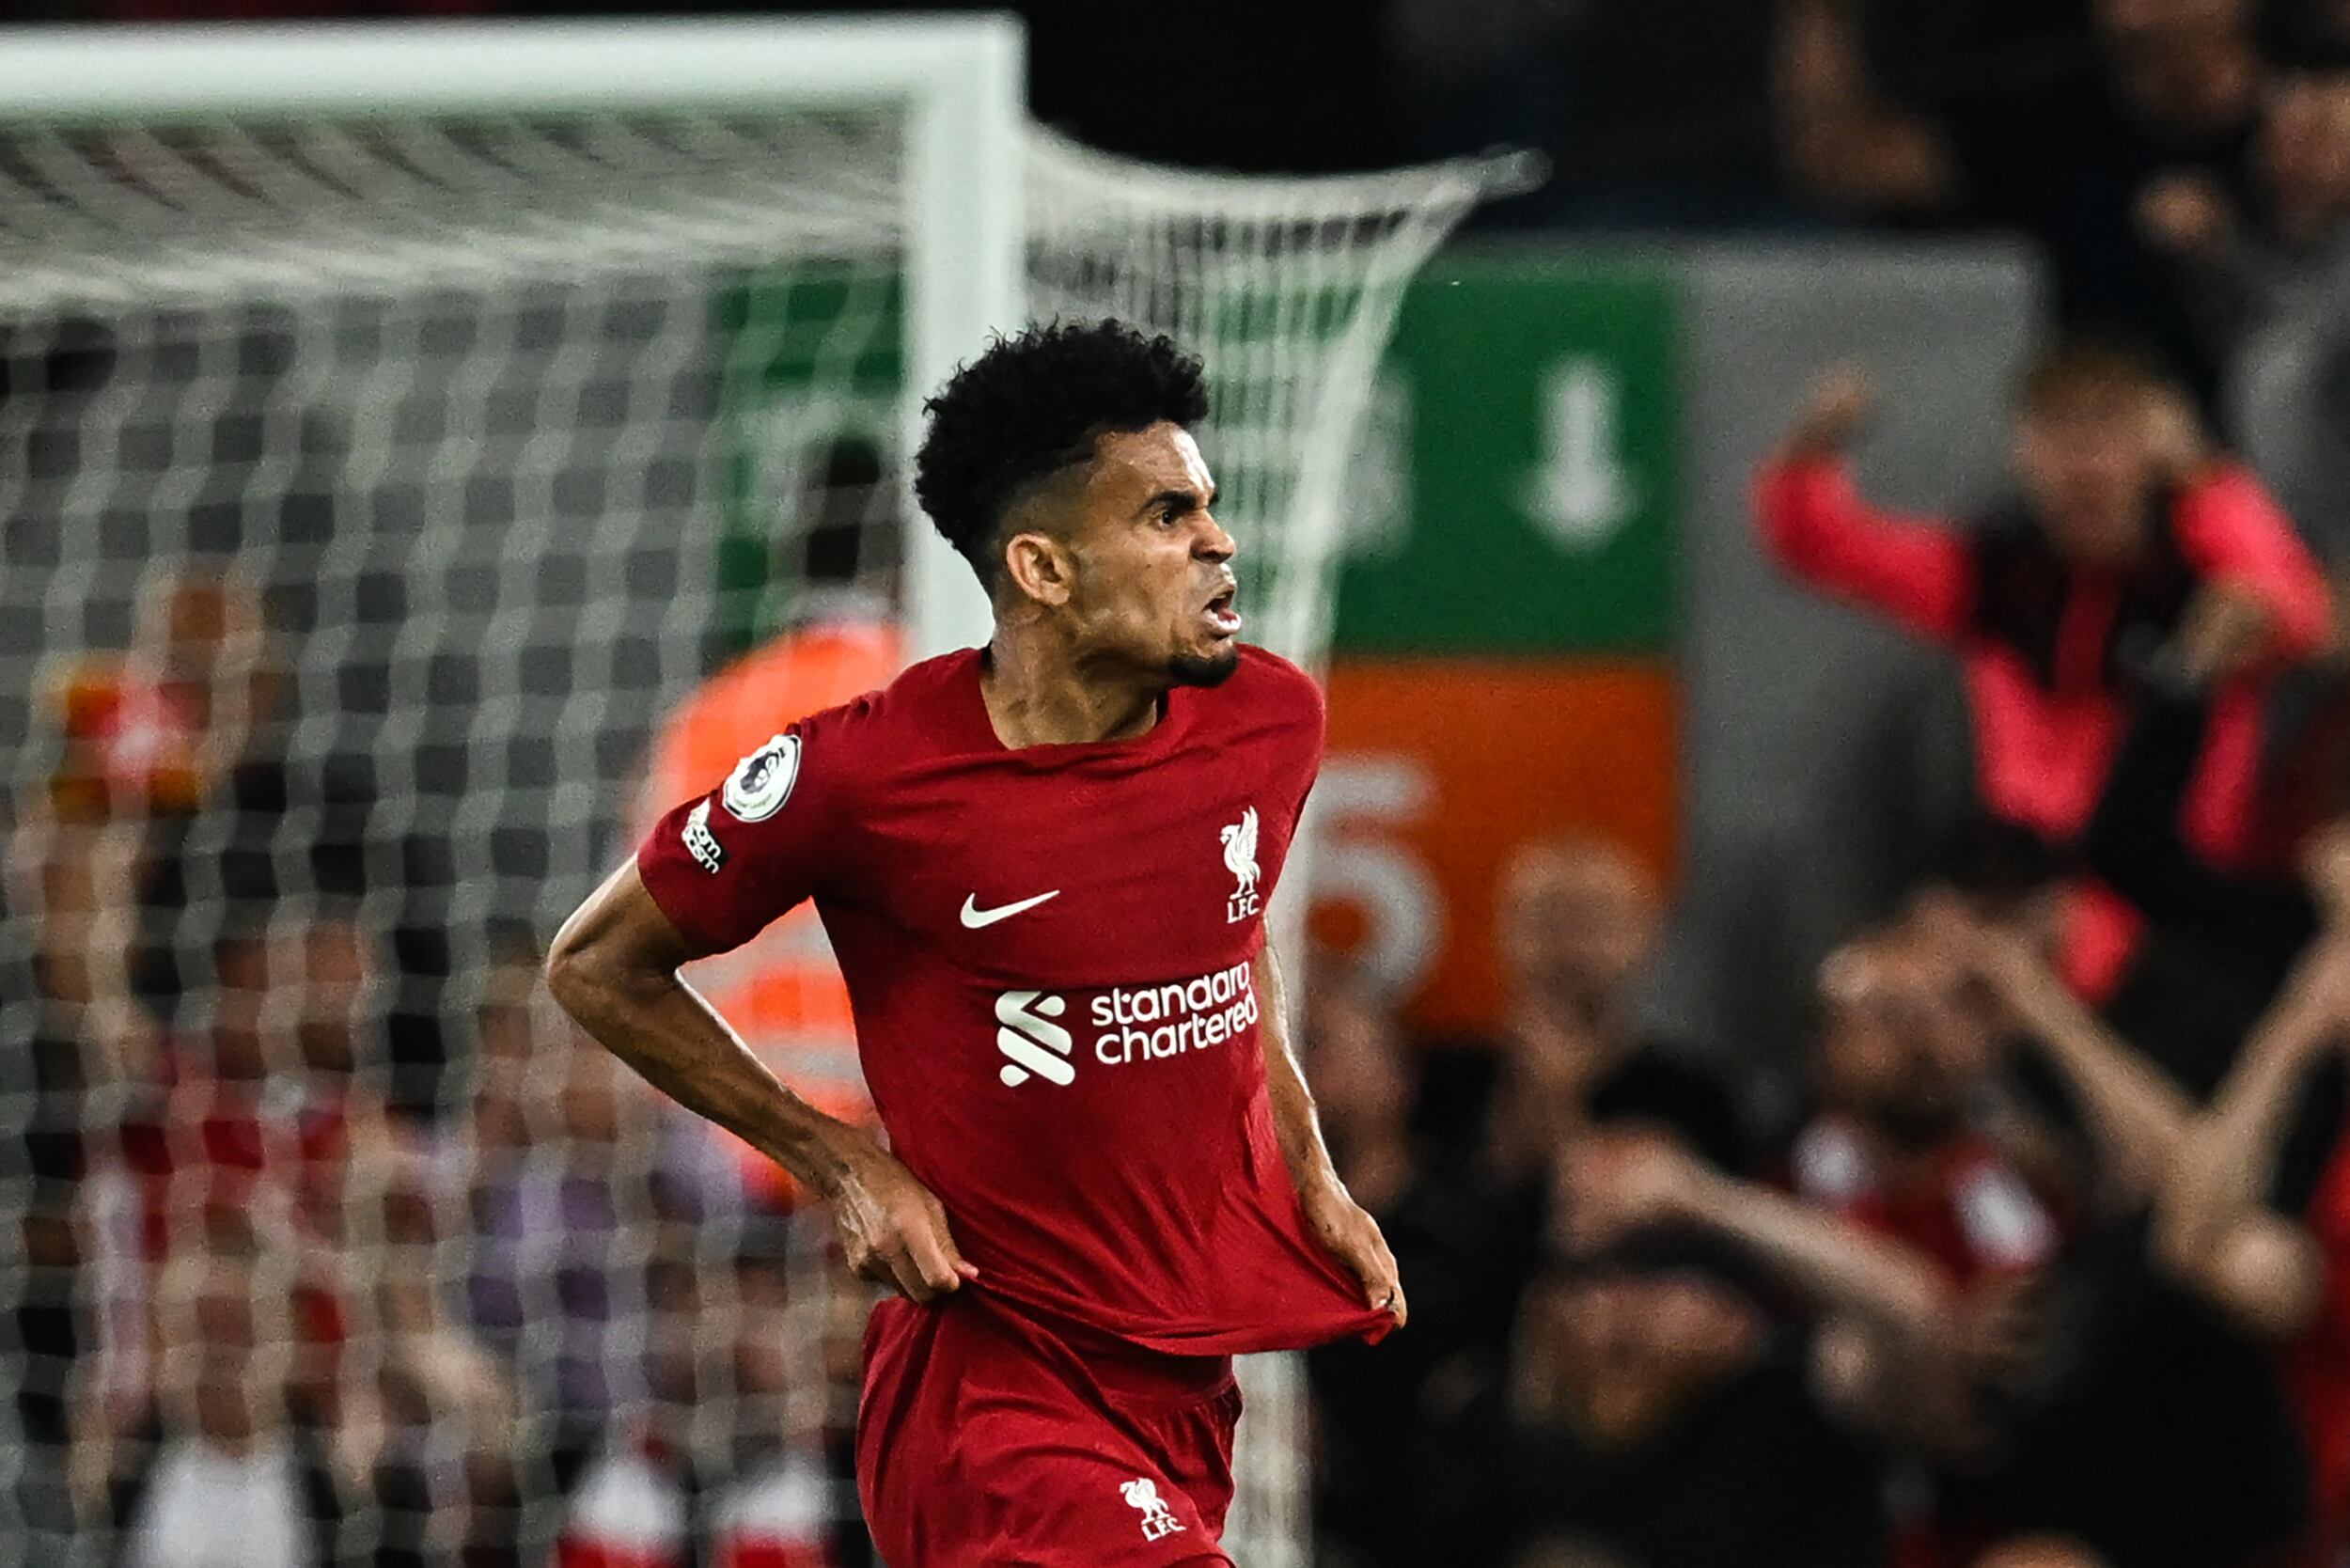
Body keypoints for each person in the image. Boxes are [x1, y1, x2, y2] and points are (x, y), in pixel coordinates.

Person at [546, 320, 1403, 1568]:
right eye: (1164, 517)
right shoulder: (865, 770)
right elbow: (593, 962)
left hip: (1178, 1389)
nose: (1215, 542)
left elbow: (1236, 938)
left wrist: (1310, 1170)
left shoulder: (1269, 720)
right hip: (991, 1393)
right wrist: (838, 1160)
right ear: (1044, 570)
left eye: (1206, 507)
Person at [1755, 344, 2332, 999]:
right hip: (2021, 877)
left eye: (2107, 434)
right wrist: (1812, 447)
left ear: (2151, 447)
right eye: (2061, 436)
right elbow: (1823, 544)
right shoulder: (1996, 576)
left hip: (2177, 889)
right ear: (2023, 452)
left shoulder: (2202, 567)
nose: (2085, 465)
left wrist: (2205, 476)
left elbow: (2294, 613)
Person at [631, 436, 901, 1207]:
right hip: (895, 1148)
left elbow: (623, 943)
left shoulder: (706, 718)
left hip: (732, 1149)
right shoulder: (925, 699)